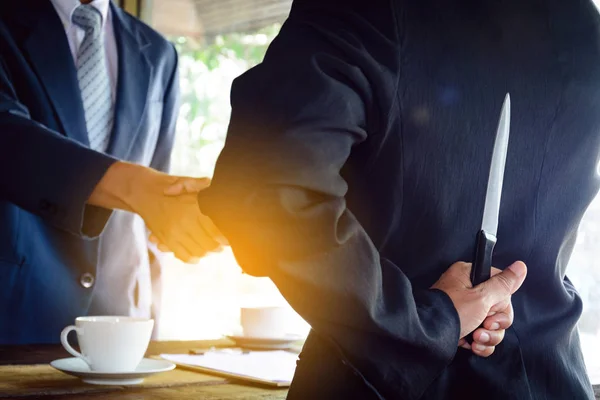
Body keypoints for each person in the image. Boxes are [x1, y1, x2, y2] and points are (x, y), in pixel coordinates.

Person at [186, 0, 599, 398]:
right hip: (551, 381)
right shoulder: (584, 26)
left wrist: (425, 323)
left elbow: (265, 187)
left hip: (374, 385)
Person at [0, 0, 222, 344]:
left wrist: (152, 334)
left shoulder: (160, 52)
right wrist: (138, 188)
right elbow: (7, 136)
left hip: (121, 328)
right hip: (16, 321)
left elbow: (155, 208)